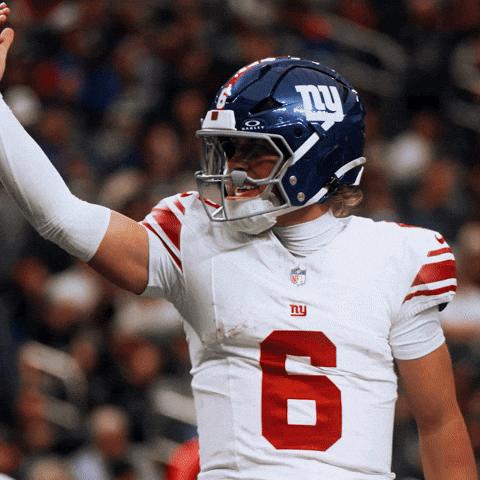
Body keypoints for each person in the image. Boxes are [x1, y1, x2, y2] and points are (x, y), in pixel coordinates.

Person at [0, 6, 475, 478]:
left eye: (255, 152)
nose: (232, 171)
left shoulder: (397, 258)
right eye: (229, 151)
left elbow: (439, 424)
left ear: (316, 158)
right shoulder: (197, 234)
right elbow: (61, 216)